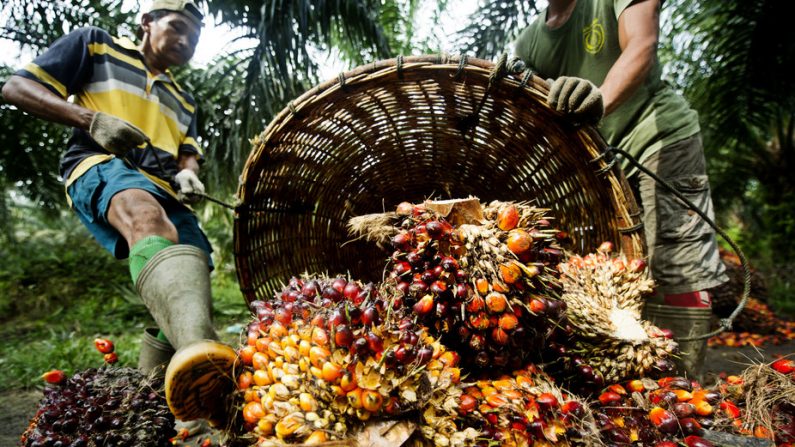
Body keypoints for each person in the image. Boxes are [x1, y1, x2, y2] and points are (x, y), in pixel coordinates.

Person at [1, 0, 236, 428]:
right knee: (145, 218)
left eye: (196, 37)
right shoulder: (96, 45)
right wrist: (90, 120)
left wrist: (189, 175)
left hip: (169, 191)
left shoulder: (185, 99)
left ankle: (154, 401)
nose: (187, 41)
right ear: (147, 22)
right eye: (179, 27)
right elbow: (16, 88)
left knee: (194, 268)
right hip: (100, 164)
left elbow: (189, 154)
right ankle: (207, 368)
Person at [514, 0, 728, 376]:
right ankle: (640, 378)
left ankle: (681, 389)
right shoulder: (531, 40)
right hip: (604, 165)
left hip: (658, 141)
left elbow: (641, 44)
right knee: (617, 277)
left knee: (675, 266)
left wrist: (600, 99)